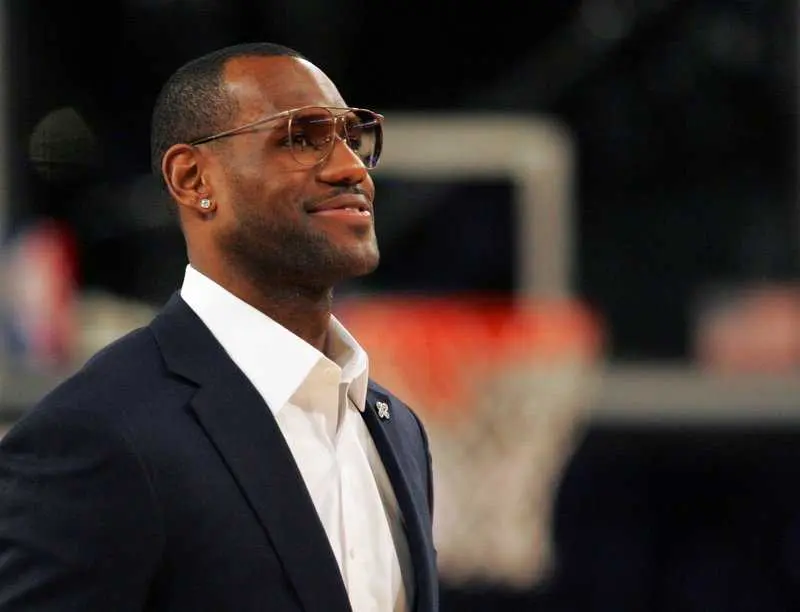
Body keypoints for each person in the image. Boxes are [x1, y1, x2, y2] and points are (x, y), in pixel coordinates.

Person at [0, 42, 438, 612]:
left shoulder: (399, 430)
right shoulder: (96, 432)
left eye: (352, 138)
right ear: (192, 178)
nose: (350, 167)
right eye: (301, 138)